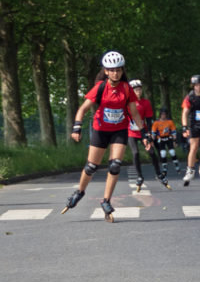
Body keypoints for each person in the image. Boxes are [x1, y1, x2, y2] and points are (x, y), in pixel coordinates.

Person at [61, 51, 145, 222]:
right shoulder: (100, 87)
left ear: (122, 71)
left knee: (115, 165)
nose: (116, 73)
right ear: (106, 71)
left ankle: (106, 200)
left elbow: (134, 112)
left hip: (119, 130)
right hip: (100, 129)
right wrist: (77, 128)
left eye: (119, 70)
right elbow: (82, 109)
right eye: (112, 70)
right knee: (91, 166)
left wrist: (145, 133)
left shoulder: (127, 88)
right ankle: (80, 192)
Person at [126, 79, 168, 191]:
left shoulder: (145, 103)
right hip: (131, 132)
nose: (138, 92)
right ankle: (139, 176)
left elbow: (149, 120)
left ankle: (159, 174)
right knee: (135, 153)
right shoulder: (127, 103)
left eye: (140, 90)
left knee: (151, 151)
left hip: (143, 131)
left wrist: (149, 133)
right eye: (136, 90)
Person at [151, 109, 181, 174]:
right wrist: (152, 141)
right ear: (160, 115)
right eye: (162, 114)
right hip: (160, 139)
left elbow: (173, 132)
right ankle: (164, 168)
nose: (163, 116)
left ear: (166, 115)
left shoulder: (170, 122)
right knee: (163, 153)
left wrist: (175, 141)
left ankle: (177, 166)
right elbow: (153, 133)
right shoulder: (156, 123)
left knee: (172, 152)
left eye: (164, 114)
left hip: (169, 138)